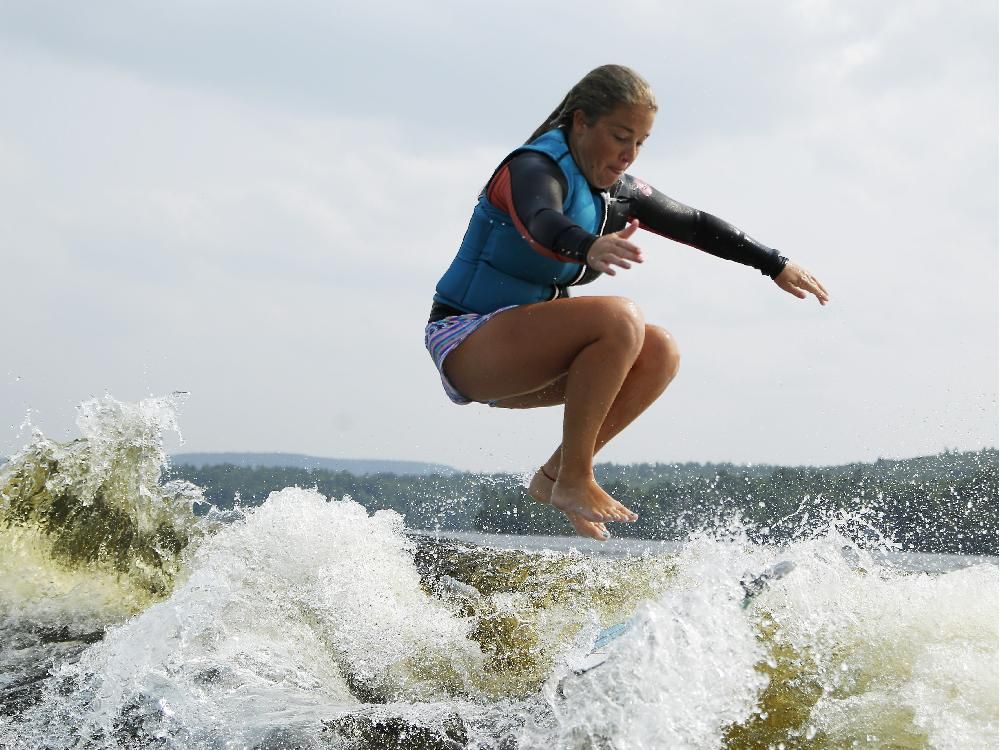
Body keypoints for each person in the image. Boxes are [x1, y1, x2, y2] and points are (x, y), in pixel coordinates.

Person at [425, 64, 828, 542]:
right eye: (620, 136)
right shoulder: (532, 168)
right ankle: (577, 478)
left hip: (521, 364)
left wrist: (775, 263)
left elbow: (695, 223)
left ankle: (556, 476)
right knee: (619, 316)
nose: (628, 154)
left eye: (640, 142)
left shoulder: (618, 191)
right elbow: (540, 219)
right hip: (466, 340)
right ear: (581, 122)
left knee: (659, 350)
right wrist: (587, 246)